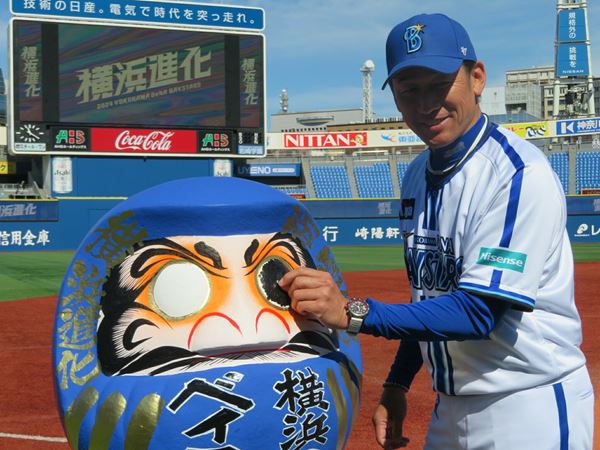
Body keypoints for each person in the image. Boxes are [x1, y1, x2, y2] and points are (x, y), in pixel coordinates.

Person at [278, 12, 595, 450]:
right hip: (450, 407)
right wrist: (398, 383)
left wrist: (352, 312)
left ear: (477, 78)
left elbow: (478, 312)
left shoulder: (517, 174)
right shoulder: (415, 176)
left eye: (439, 84)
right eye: (409, 91)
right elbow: (429, 299)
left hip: (527, 406)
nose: (426, 104)